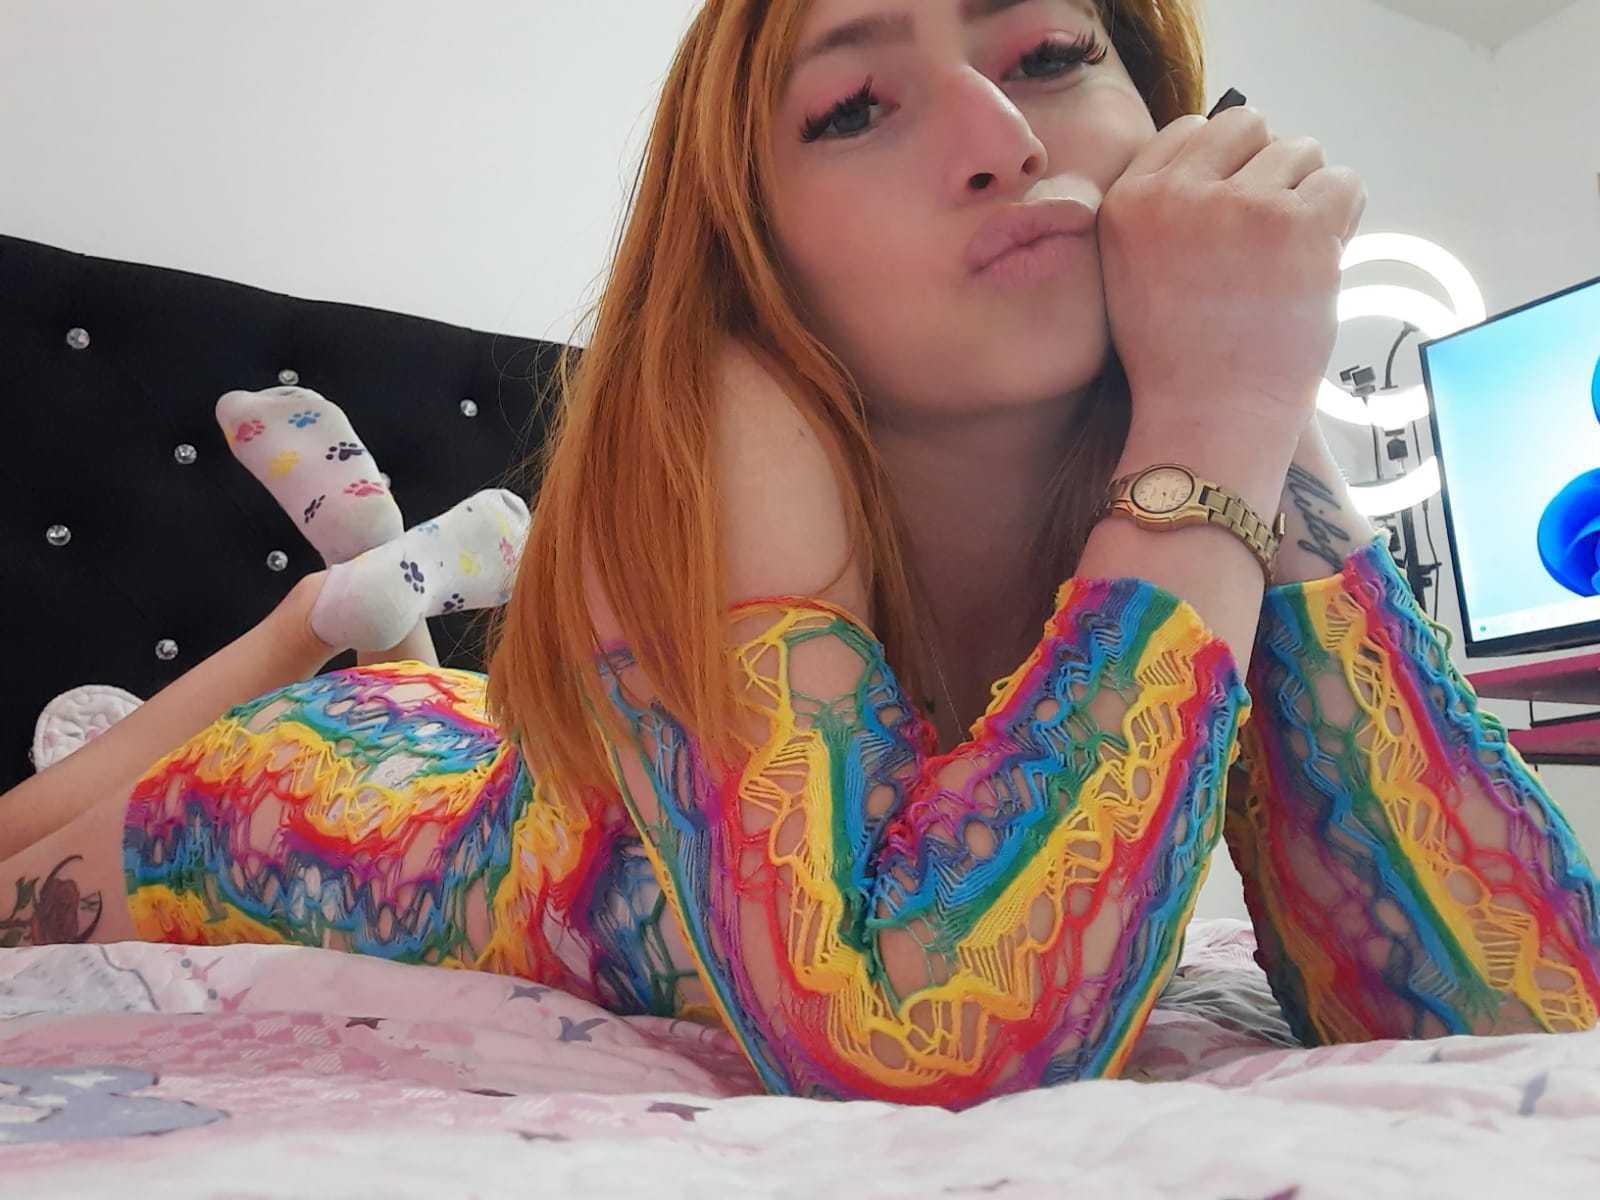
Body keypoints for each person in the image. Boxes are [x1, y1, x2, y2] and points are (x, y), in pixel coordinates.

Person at [4, 0, 1598, 1111]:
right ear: (756, 254)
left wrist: (1252, 393)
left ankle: (382, 612)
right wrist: (1211, 421)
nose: (1000, 139)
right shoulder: (726, 409)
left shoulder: (1207, 416)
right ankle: (330, 611)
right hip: (310, 803)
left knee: (445, 704)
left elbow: (1518, 999)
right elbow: (912, 1030)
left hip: (502, 748)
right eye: (853, 109)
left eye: (1052, 53)